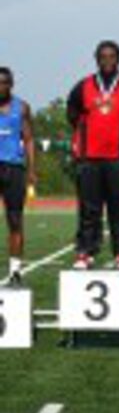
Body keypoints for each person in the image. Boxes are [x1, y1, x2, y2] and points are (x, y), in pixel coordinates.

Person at [67, 40, 119, 269]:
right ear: (96, 59)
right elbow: (72, 113)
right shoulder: (82, 87)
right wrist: (87, 135)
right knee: (88, 209)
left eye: (112, 56)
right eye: (103, 56)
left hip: (118, 158)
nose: (107, 61)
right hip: (89, 157)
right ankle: (85, 252)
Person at [0, 67, 36, 285]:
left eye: (4, 82)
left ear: (11, 85)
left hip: (13, 168)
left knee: (15, 220)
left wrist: (31, 169)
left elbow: (29, 139)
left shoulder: (21, 108)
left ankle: (15, 270)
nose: (0, 86)